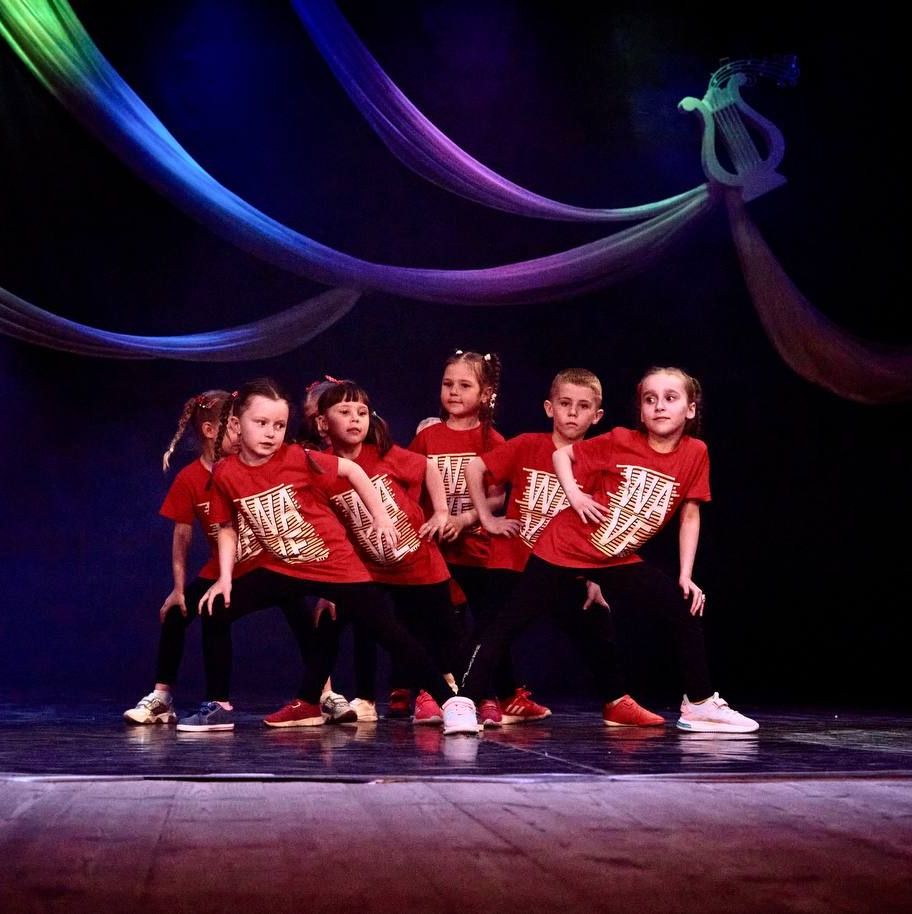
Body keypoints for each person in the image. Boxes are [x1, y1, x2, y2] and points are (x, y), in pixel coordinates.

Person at [458, 366, 758, 734]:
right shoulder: (619, 440)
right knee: (506, 622)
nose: (659, 406)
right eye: (650, 399)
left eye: (670, 398)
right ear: (640, 410)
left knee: (680, 606)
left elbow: (690, 514)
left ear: (690, 409)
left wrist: (685, 575)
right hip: (563, 547)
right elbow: (562, 457)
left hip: (612, 556)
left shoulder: (696, 452)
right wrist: (574, 496)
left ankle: (699, 703)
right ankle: (463, 702)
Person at [178, 377, 477, 735]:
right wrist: (226, 578)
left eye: (279, 425)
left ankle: (453, 703)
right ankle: (219, 707)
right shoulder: (226, 472)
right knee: (215, 607)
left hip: (335, 566)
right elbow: (227, 527)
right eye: (261, 423)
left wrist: (381, 516)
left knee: (392, 634)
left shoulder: (296, 458)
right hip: (284, 567)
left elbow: (352, 470)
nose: (271, 433)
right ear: (236, 424)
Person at [463, 368, 655, 725]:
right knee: (491, 631)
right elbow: (475, 468)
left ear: (596, 415)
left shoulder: (599, 461)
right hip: (514, 561)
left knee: (596, 623)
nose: (572, 413)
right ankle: (480, 699)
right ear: (550, 408)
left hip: (564, 566)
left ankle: (616, 700)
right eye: (565, 404)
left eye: (582, 406)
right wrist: (487, 520)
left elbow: (601, 522)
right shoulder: (527, 445)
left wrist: (596, 576)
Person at [315, 380, 463, 724]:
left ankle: (445, 696)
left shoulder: (384, 454)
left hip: (419, 563)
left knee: (439, 632)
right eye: (345, 412)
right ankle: (361, 699)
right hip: (371, 568)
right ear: (323, 422)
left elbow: (427, 467)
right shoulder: (322, 468)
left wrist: (441, 512)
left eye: (362, 412)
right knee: (358, 627)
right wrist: (328, 587)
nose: (355, 419)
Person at [123, 390, 246, 724]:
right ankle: (164, 698)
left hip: (261, 564)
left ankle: (321, 694)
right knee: (180, 613)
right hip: (219, 570)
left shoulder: (247, 468)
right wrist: (178, 589)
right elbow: (182, 537)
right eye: (234, 426)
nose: (242, 434)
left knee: (300, 610)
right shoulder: (189, 478)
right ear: (210, 430)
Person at [408, 349, 507, 727]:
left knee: (479, 628)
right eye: (448, 384)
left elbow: (497, 497)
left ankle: (482, 694)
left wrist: (464, 520)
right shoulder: (427, 438)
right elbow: (411, 486)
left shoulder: (491, 439)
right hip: (434, 550)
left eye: (465, 385)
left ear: (485, 394)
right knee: (436, 623)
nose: (453, 391)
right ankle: (431, 693)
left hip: (476, 548)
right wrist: (434, 518)